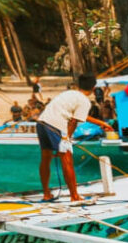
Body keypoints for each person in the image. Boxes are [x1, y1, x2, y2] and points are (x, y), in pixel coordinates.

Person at [36, 72, 98, 202]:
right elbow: (74, 121)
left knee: (46, 158)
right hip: (56, 126)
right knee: (67, 160)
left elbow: (78, 115)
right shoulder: (85, 101)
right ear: (94, 88)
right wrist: (66, 139)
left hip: (42, 123)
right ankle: (74, 196)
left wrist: (101, 123)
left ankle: (46, 193)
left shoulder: (69, 93)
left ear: (78, 85)